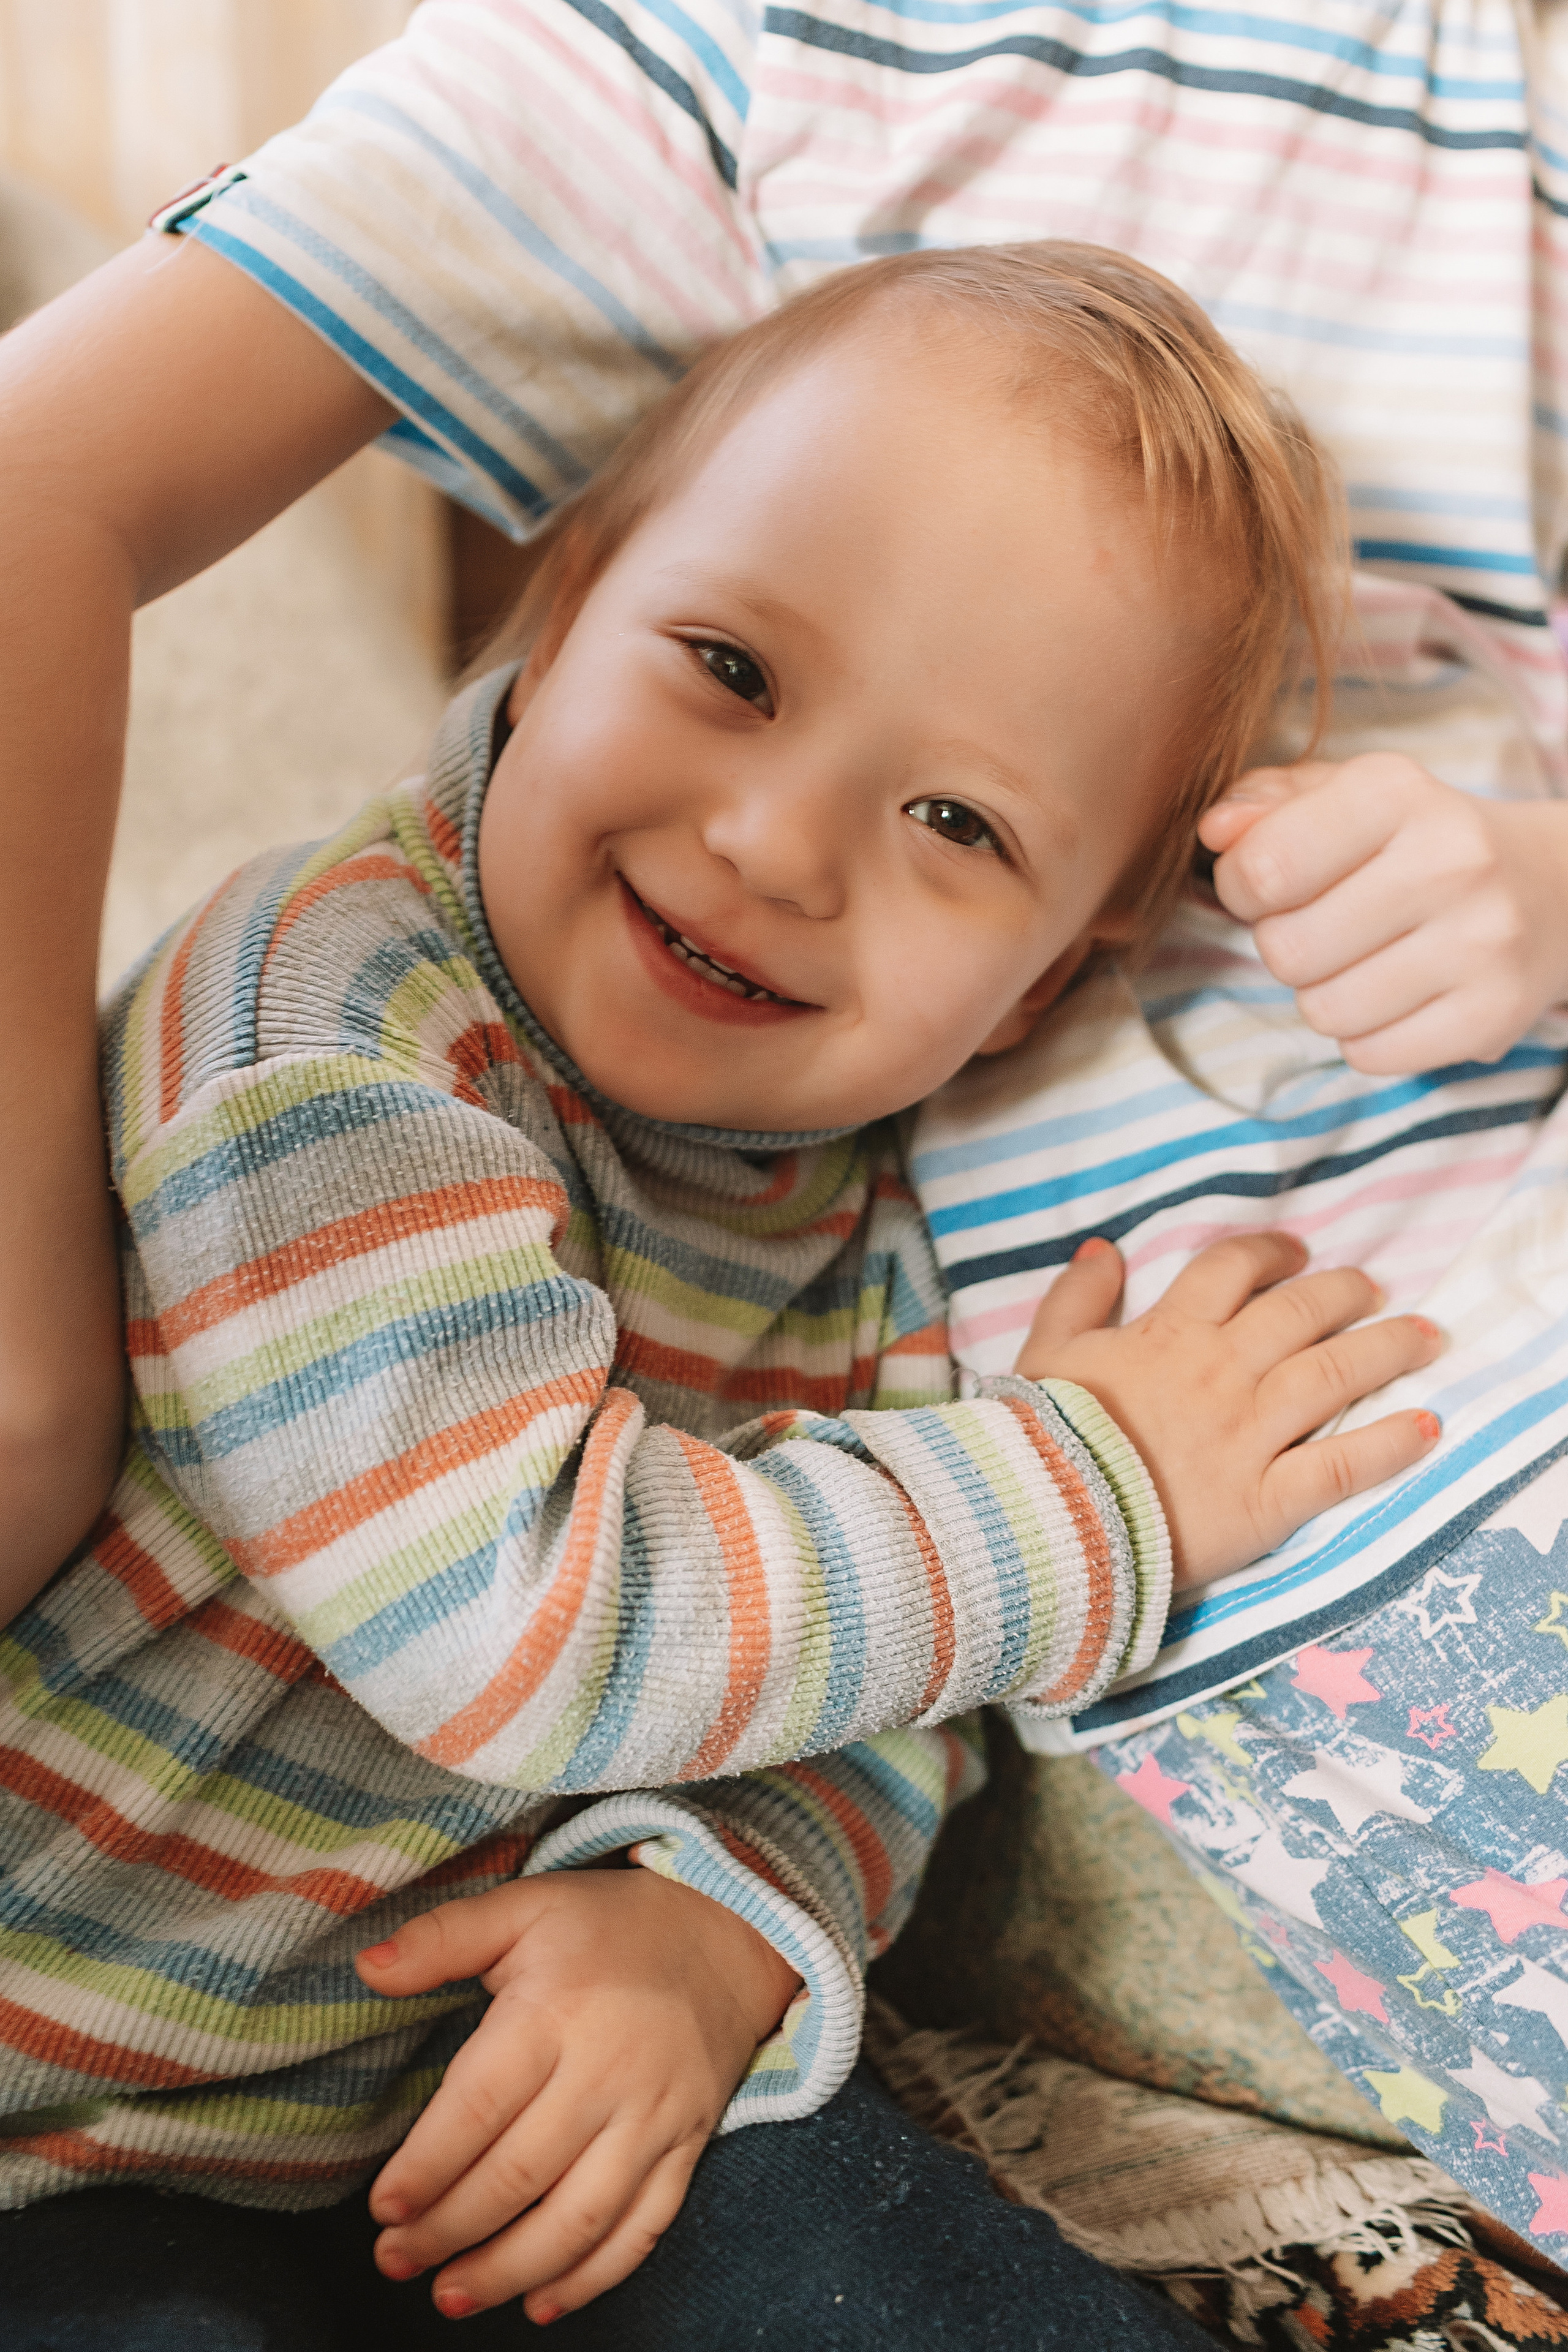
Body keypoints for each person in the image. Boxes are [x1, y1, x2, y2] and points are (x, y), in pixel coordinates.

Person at [0, 243, 1438, 2348]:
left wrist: (719, 1923)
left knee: (893, 2261)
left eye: (956, 820)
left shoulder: (862, 1225)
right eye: (734, 669)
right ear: (565, 609)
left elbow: (903, 1688)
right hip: (48, 2134)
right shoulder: (324, 1028)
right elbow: (528, 1621)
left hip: (439, 2113)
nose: (776, 844)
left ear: (1044, 978)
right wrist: (1101, 1488)